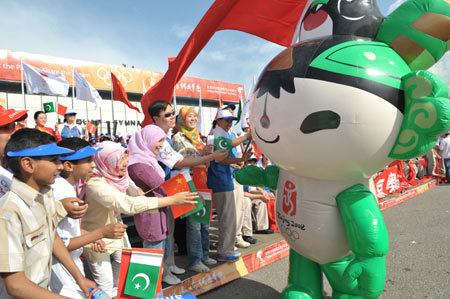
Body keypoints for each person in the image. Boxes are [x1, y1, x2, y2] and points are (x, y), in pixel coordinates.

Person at [81, 141, 197, 297]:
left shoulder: (117, 176)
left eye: (125, 159)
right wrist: (172, 200)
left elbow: (133, 191)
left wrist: (137, 191)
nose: (124, 164)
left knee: (122, 275)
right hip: (96, 238)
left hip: (116, 234)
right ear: (105, 161)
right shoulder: (95, 183)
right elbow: (126, 204)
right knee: (105, 284)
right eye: (118, 160)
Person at [0, 128, 96, 298]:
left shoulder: (45, 194)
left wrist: (79, 278)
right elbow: (15, 285)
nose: (60, 166)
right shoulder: (8, 212)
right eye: (53, 160)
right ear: (28, 165)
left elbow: (53, 238)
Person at [148, 100, 228, 279]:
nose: (173, 117)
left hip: (190, 183)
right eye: (168, 114)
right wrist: (209, 155)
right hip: (170, 186)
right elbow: (179, 162)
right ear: (155, 118)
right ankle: (162, 273)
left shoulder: (172, 136)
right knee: (166, 231)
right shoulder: (165, 136)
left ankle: (170, 265)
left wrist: (207, 155)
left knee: (172, 229)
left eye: (173, 113)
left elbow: (189, 161)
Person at [50, 138, 127, 298]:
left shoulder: (67, 186)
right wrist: (100, 234)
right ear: (69, 166)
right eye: (88, 160)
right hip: (62, 269)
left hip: (70, 265)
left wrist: (87, 236)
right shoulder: (63, 190)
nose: (93, 165)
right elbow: (58, 242)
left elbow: (67, 231)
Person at [128, 124, 181, 284]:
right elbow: (159, 185)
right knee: (153, 254)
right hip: (150, 215)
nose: (161, 144)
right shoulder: (139, 165)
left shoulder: (146, 158)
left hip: (158, 212)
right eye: (159, 140)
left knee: (160, 249)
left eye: (163, 140)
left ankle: (156, 286)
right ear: (148, 140)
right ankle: (153, 290)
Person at [172, 106, 217, 273]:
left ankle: (205, 255)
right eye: (189, 116)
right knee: (194, 226)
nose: (193, 119)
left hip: (203, 182)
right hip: (190, 184)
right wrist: (201, 154)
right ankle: (195, 260)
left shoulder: (198, 137)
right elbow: (181, 160)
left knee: (205, 223)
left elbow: (206, 162)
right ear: (182, 118)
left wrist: (205, 156)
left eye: (195, 116)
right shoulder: (178, 137)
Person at [207, 106, 252, 262]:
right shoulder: (214, 135)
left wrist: (241, 159)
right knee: (227, 218)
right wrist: (246, 137)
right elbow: (228, 146)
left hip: (226, 179)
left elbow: (225, 159)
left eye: (231, 121)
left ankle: (228, 248)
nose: (229, 123)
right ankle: (224, 251)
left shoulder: (224, 133)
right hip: (220, 181)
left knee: (230, 217)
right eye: (226, 120)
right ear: (218, 120)